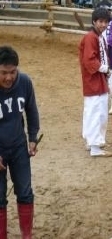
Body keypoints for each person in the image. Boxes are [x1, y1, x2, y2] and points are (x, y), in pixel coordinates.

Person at [0, 45, 40, 239]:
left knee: (25, 192)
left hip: (18, 146)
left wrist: (32, 138)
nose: (9, 77)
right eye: (3, 73)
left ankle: (27, 236)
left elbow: (31, 110)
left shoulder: (24, 82)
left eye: (13, 72)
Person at [79, 8, 112, 157]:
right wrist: (104, 68)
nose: (103, 24)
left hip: (96, 80)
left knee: (93, 111)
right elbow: (89, 60)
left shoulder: (97, 37)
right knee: (97, 112)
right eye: (100, 21)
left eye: (106, 22)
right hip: (94, 80)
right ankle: (95, 146)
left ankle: (91, 141)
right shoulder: (91, 38)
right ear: (94, 21)